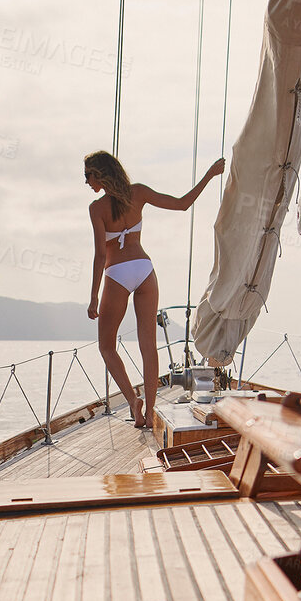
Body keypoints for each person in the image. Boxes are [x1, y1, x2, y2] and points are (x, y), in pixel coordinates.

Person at [84, 150, 226, 430]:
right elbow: (183, 204)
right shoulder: (138, 193)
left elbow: (101, 256)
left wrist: (93, 297)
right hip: (145, 269)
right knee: (148, 345)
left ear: (100, 175)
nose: (86, 181)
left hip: (118, 273)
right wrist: (209, 174)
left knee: (106, 346)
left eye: (88, 175)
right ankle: (150, 413)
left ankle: (134, 403)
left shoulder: (96, 208)